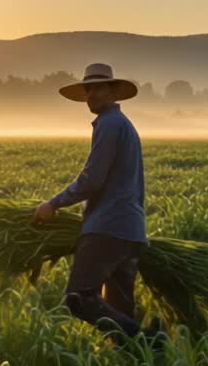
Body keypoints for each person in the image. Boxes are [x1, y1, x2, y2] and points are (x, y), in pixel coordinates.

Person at [33, 62, 158, 342]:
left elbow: (92, 180)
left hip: (107, 229)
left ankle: (148, 340)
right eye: (88, 89)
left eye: (99, 88)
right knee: (119, 308)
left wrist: (52, 204)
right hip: (130, 231)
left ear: (113, 91)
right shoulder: (122, 125)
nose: (92, 95)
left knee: (80, 297)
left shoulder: (110, 124)